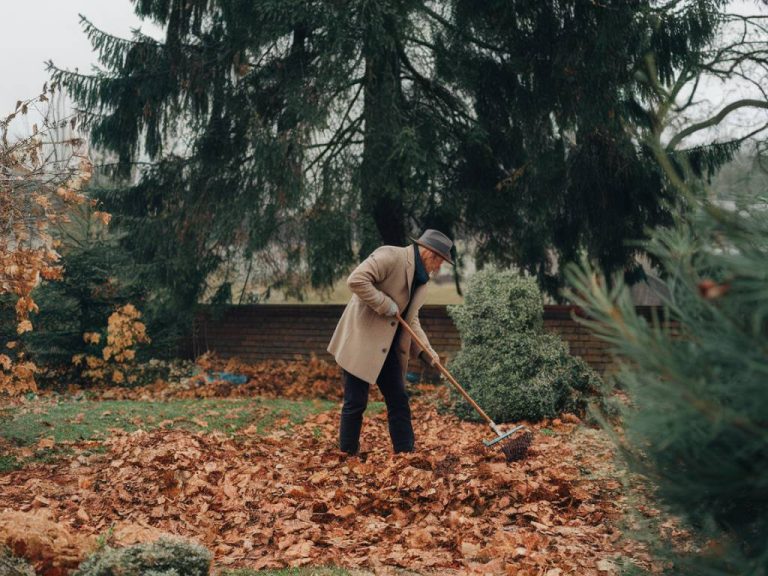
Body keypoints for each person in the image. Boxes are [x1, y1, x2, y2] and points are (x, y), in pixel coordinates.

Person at [327, 229, 455, 455]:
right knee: (355, 402)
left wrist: (429, 353)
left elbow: (410, 319)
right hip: (363, 341)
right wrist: (385, 304)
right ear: (430, 254)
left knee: (399, 400)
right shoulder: (391, 256)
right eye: (440, 261)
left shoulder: (421, 282)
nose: (439, 267)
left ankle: (405, 455)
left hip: (389, 349)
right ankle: (347, 455)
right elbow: (356, 279)